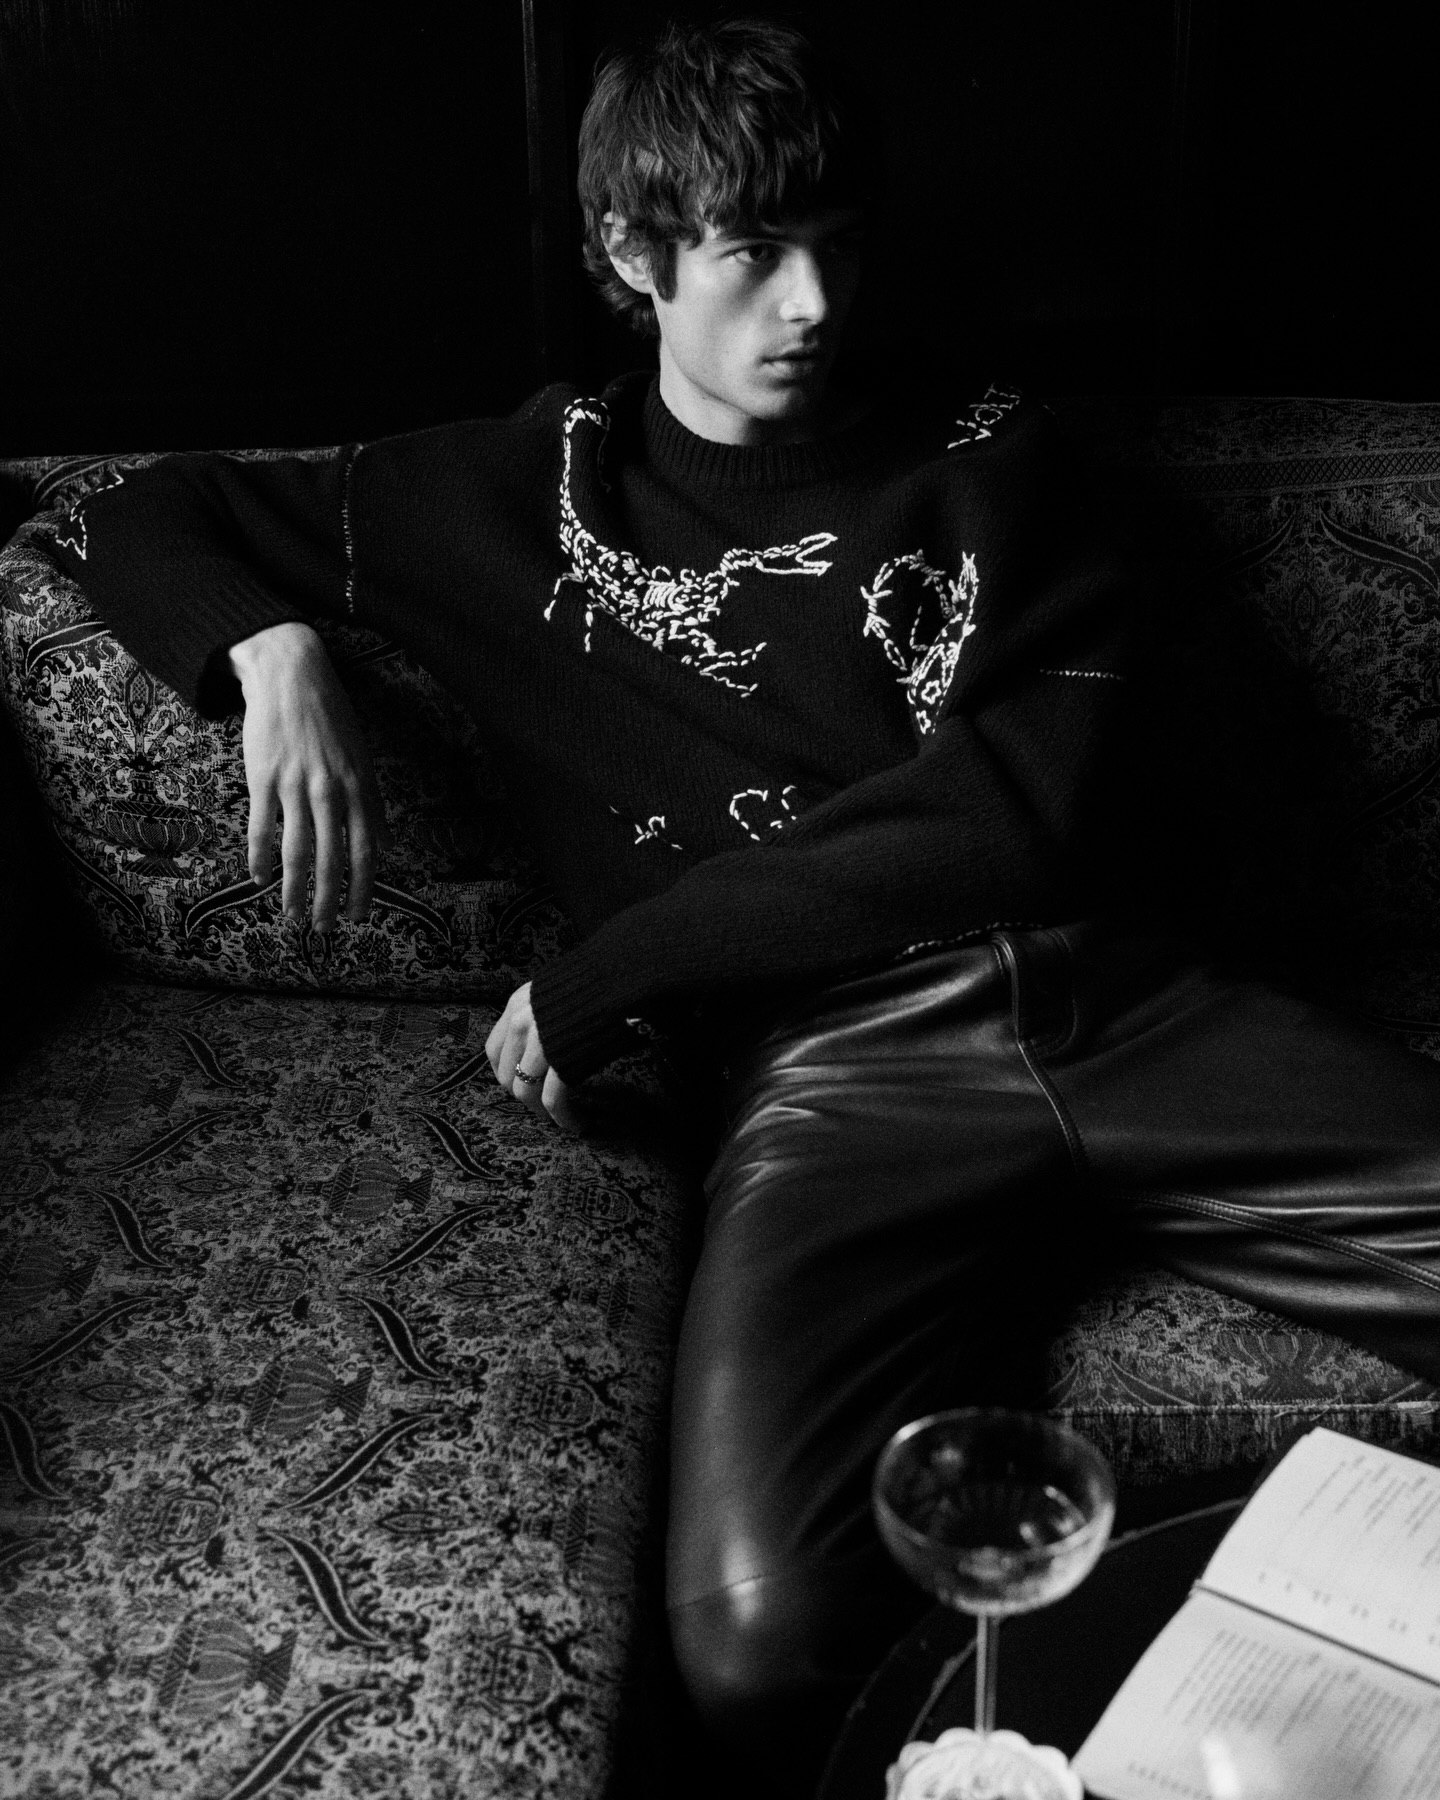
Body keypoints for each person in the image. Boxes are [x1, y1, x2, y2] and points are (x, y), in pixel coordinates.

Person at [52, 16, 1440, 1788]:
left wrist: (615, 970)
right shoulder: (514, 491)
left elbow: (1014, 811)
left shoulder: (994, 453)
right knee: (754, 1632)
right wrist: (270, 646)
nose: (814, 303)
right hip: (838, 1071)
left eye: (839, 247)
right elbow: (138, 509)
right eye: (753, 253)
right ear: (632, 256)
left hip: (1125, 1002)